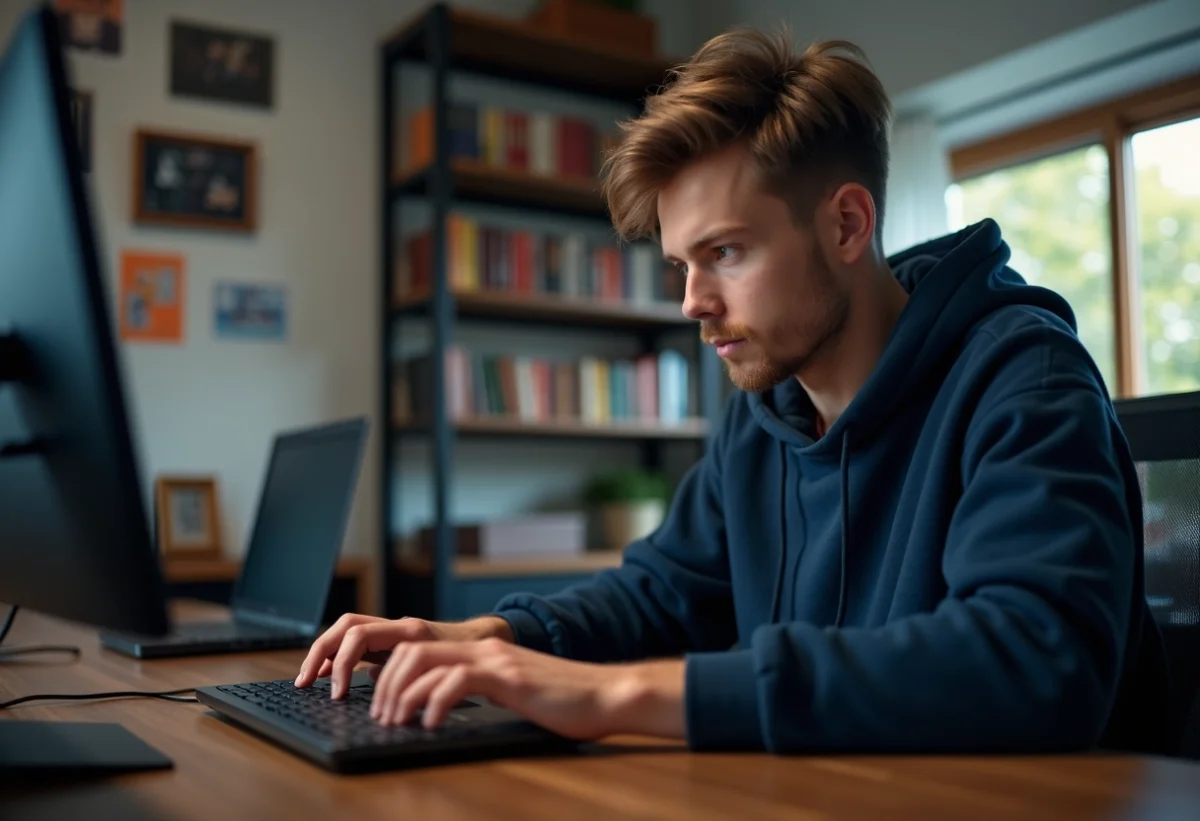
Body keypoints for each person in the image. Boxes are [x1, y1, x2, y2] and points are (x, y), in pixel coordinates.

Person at [295, 28, 1170, 754]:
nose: (692, 302)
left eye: (725, 253)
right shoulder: (764, 412)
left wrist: (610, 695)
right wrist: (496, 636)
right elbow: (661, 592)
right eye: (682, 264)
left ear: (847, 223)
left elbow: (1034, 661)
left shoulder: (1024, 378)